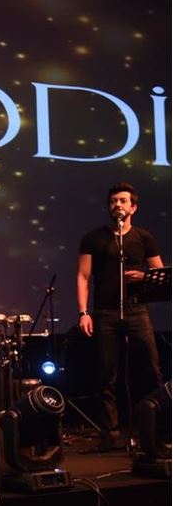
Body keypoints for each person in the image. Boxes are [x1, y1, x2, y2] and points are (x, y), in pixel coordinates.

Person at [77, 182, 165, 451]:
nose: (118, 205)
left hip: (137, 311)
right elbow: (83, 276)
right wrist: (83, 312)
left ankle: (156, 430)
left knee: (150, 370)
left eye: (123, 201)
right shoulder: (94, 238)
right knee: (107, 375)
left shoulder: (144, 237)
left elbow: (161, 275)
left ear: (133, 207)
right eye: (114, 201)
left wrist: (143, 276)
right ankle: (110, 434)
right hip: (106, 313)